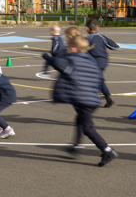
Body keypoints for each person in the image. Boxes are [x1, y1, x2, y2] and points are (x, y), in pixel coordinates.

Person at [50, 34, 118, 166]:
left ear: (74, 49)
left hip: (86, 100)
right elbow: (98, 80)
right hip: (91, 99)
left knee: (88, 128)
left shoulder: (75, 61)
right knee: (79, 120)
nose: (68, 51)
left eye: (69, 48)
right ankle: (76, 146)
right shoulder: (89, 60)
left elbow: (59, 64)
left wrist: (47, 57)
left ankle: (107, 150)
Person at [85, 18, 121, 108]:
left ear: (87, 28)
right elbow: (114, 47)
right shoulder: (102, 37)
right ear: (97, 28)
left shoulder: (88, 39)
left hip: (94, 62)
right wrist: (117, 45)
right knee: (97, 79)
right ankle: (108, 98)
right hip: (104, 61)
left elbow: (82, 50)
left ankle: (99, 97)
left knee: (93, 80)